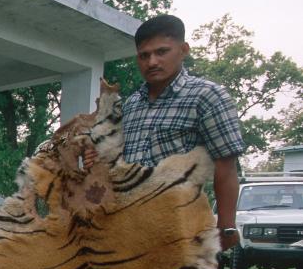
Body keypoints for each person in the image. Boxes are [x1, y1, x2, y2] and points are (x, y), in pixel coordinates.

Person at [86, 14, 244, 249]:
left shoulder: (207, 97)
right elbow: (121, 163)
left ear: (183, 49)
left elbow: (227, 164)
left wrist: (226, 225)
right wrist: (98, 160)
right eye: (144, 55)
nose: (152, 62)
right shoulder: (132, 105)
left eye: (162, 52)